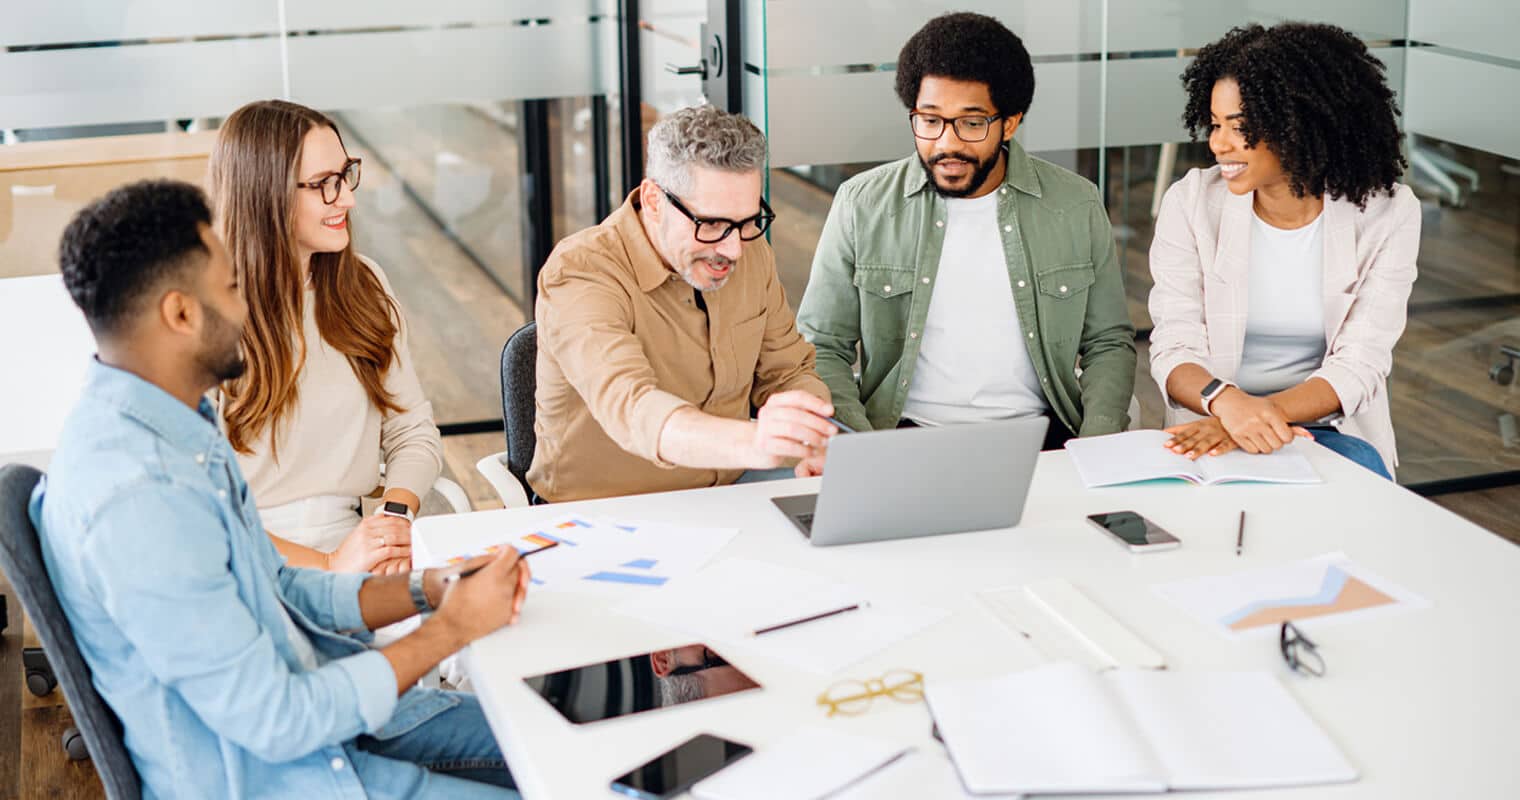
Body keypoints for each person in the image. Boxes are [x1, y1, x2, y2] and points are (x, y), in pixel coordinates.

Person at [33, 178, 529, 797]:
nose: (248, 308)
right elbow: (281, 721)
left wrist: (428, 590)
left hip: (337, 722)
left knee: (558, 739)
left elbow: (277, 586)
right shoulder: (138, 497)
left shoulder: (169, 418)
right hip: (293, 774)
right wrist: (452, 630)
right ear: (181, 313)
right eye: (232, 289)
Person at [797, 12, 1136, 449]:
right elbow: (822, 345)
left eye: (972, 123)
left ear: (1009, 123)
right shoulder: (861, 204)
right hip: (901, 437)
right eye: (930, 119)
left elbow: (1108, 341)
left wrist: (1096, 447)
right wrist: (862, 448)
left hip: (1043, 438)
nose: (946, 144)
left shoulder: (1075, 204)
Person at [1148, 22, 1418, 478]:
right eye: (1215, 125)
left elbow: (1361, 362)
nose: (1219, 143)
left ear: (1299, 125)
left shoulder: (1388, 213)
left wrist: (1253, 418)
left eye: (1241, 127)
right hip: (1211, 419)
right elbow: (1174, 346)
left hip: (1328, 429)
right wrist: (1229, 406)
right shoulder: (1191, 203)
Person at [530, 104, 836, 503]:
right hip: (606, 511)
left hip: (732, 493)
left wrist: (809, 432)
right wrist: (756, 442)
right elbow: (632, 406)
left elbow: (788, 371)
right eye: (711, 224)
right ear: (655, 201)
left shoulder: (749, 249)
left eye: (747, 221)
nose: (734, 250)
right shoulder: (580, 273)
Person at [211, 99, 443, 574]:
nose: (348, 198)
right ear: (265, 193)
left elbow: (411, 431)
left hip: (354, 546)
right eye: (324, 185)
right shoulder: (204, 316)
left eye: (346, 174)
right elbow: (196, 510)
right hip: (245, 560)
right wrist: (330, 563)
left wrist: (393, 520)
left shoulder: (364, 286)